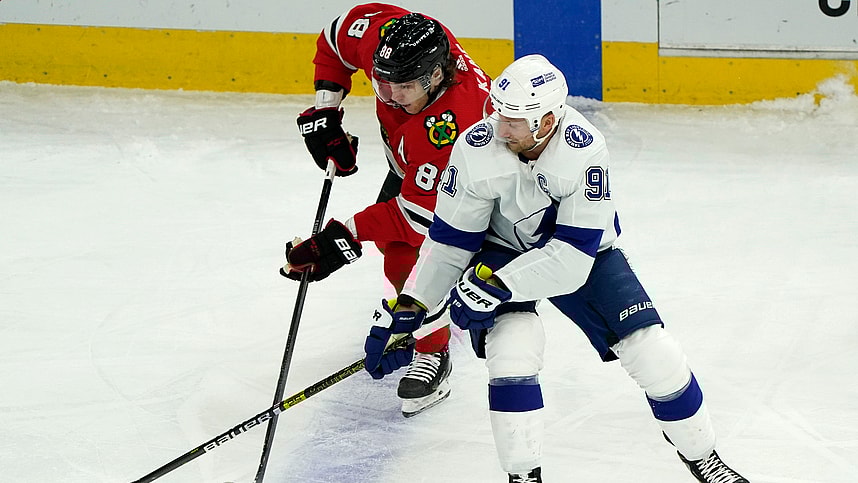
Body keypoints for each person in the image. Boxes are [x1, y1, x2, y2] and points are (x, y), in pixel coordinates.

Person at [363, 54, 750, 482]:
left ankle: (703, 455)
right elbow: (450, 241)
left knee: (653, 351)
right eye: (497, 111)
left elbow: (571, 258)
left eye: (513, 120)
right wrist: (413, 306)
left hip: (581, 255)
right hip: (500, 250)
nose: (497, 125)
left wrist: (497, 288)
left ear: (547, 121)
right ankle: (523, 476)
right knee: (511, 353)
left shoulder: (584, 149)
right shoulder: (477, 145)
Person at [281, 3, 491, 417]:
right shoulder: (389, 42)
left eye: (403, 88)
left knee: (410, 254)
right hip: (414, 171)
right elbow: (334, 42)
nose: (390, 98)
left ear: (435, 77)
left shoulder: (457, 124)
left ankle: (434, 350)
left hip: (473, 189)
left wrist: (343, 234)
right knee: (396, 249)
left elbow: (416, 221)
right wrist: (326, 110)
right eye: (381, 85)